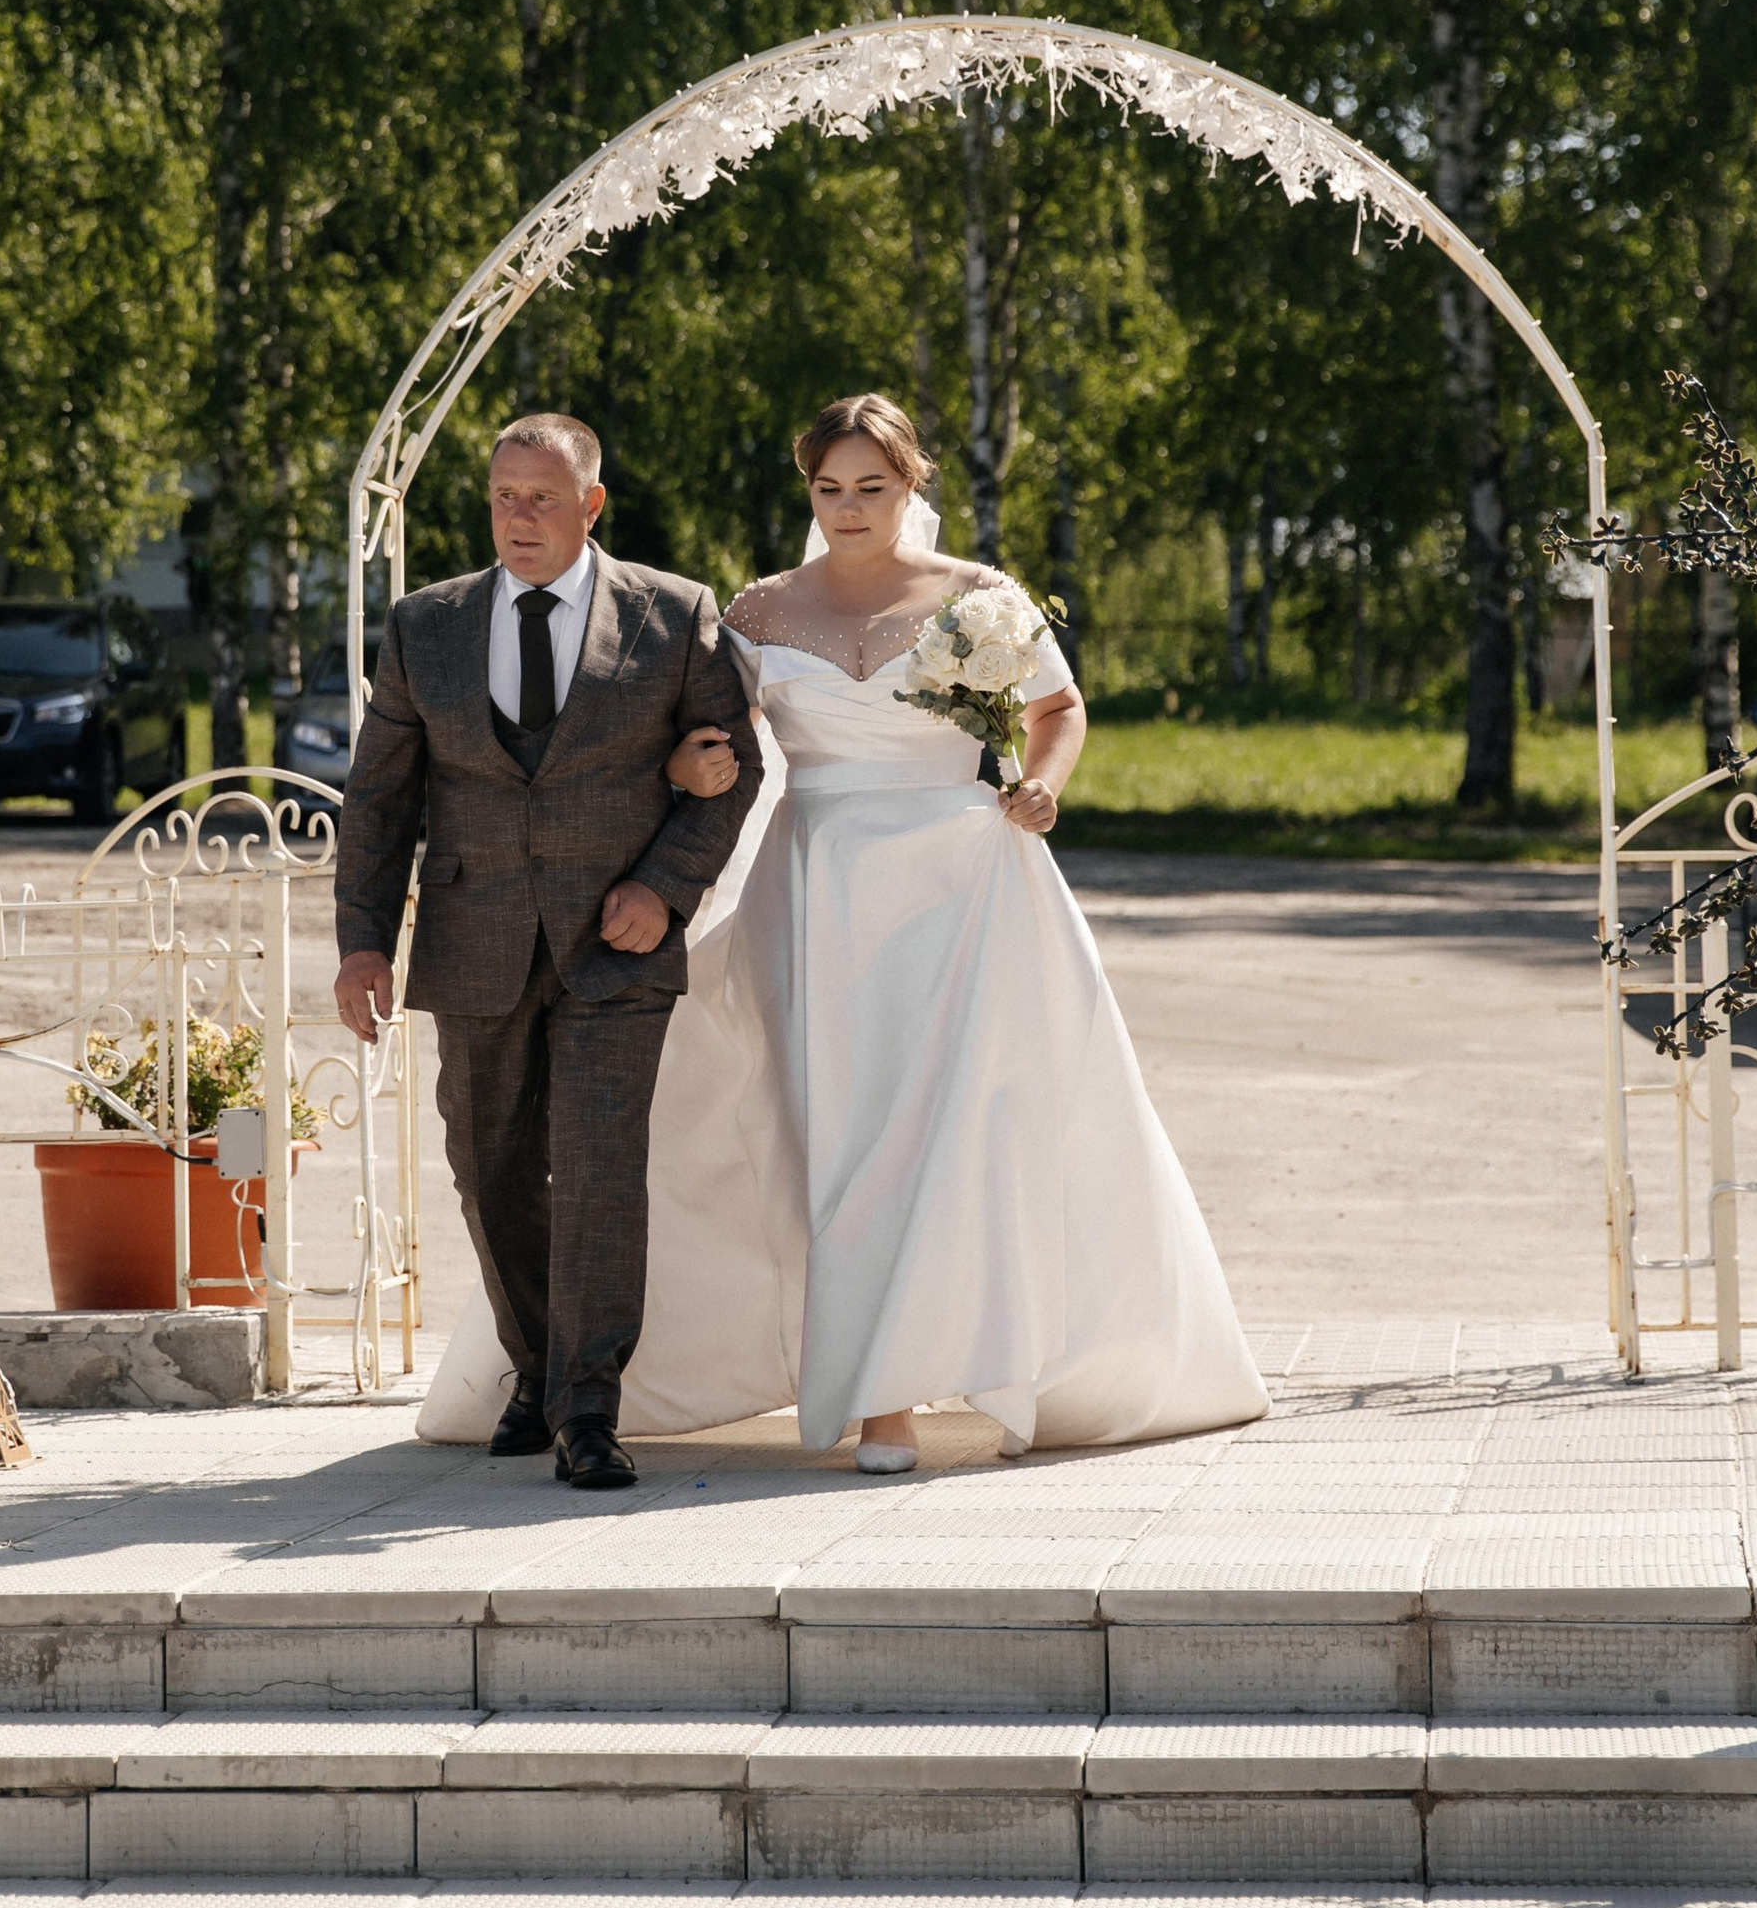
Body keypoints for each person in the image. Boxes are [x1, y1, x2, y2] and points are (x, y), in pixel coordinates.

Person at [417, 391, 1267, 1468]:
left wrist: (1043, 787)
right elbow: (702, 736)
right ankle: (685, 1374)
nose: (849, 507)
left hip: (967, 890)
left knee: (954, 1139)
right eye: (829, 489)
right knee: (835, 1140)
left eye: (872, 487)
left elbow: (1059, 710)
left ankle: (893, 1400)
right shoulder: (761, 611)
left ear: (912, 487)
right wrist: (685, 766)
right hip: (816, 893)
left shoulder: (983, 598)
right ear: (807, 492)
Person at [333, 412, 759, 1488]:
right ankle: (536, 1364)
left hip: (616, 947)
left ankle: (585, 1410)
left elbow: (730, 766)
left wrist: (664, 891)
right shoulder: (424, 626)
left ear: (591, 505)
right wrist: (363, 944)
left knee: (600, 1173)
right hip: (473, 939)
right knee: (489, 1168)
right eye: (503, 498)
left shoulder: (674, 616)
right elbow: (381, 800)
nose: (519, 519)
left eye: (543, 499)